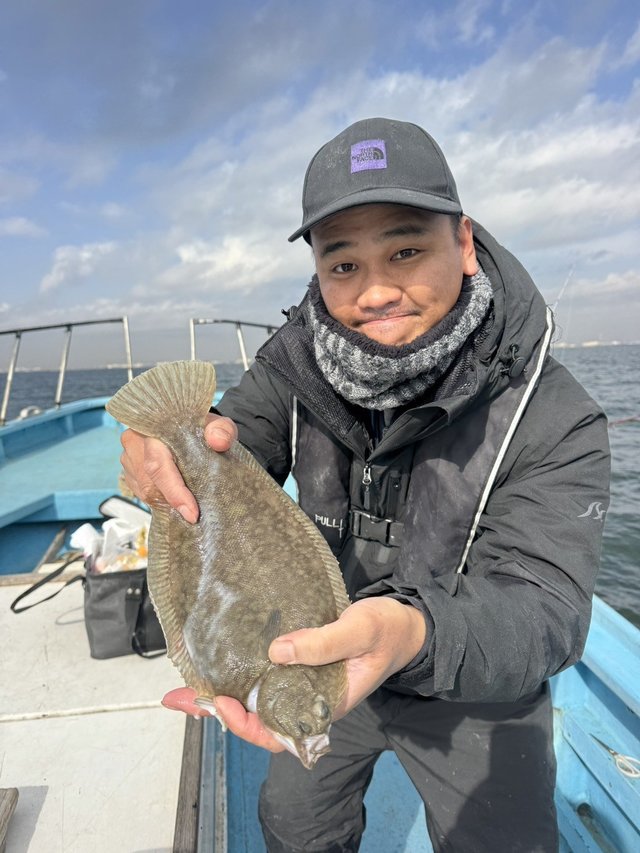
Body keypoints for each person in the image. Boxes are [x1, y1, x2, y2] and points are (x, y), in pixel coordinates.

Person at [121, 118, 610, 852]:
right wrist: (168, 449)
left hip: (469, 674)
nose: (377, 290)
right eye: (344, 264)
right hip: (327, 658)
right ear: (318, 271)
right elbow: (231, 446)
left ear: (464, 242)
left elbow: (545, 609)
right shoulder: (292, 369)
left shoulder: (555, 415)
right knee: (293, 823)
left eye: (406, 251)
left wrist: (410, 631)